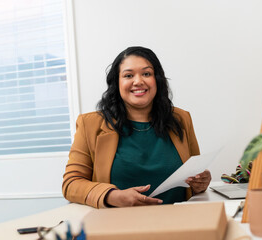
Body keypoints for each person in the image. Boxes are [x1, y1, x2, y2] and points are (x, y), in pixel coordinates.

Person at [62, 46, 211, 208]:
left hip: (180, 222)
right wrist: (111, 196)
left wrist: (200, 183)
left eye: (146, 74)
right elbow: (71, 184)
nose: (138, 81)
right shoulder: (90, 124)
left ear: (157, 80)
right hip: (118, 225)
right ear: (117, 83)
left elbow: (194, 177)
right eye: (128, 75)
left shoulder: (181, 119)